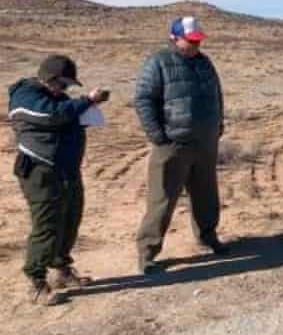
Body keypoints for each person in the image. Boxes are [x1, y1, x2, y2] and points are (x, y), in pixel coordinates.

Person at [8, 55, 109, 305]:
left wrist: (86, 112)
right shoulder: (25, 96)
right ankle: (36, 281)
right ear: (50, 78)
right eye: (63, 84)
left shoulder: (58, 98)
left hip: (66, 169)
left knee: (70, 218)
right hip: (41, 170)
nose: (65, 90)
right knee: (47, 224)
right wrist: (86, 101)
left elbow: (66, 116)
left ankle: (61, 267)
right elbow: (51, 116)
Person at [133, 16, 227, 275]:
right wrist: (158, 135)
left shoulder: (204, 62)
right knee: (162, 199)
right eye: (191, 41)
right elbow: (143, 99)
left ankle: (208, 237)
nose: (196, 45)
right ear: (174, 37)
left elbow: (216, 94)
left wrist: (218, 124)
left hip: (205, 142)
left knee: (206, 195)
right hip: (173, 143)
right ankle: (148, 252)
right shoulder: (158, 62)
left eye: (198, 41)